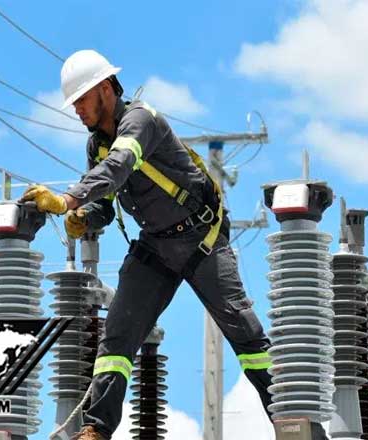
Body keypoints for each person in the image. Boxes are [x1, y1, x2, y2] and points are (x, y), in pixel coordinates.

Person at [21, 50, 327, 440]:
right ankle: (95, 430)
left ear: (105, 89)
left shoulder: (141, 121)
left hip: (201, 239)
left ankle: (296, 427)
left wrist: (67, 199)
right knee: (117, 336)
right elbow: (106, 203)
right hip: (156, 246)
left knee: (246, 336)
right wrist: (85, 216)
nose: (77, 110)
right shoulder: (95, 145)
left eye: (81, 100)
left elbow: (119, 166)